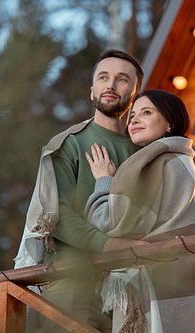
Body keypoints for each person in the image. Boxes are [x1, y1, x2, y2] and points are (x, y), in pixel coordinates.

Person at [14, 49, 147, 332]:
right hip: (72, 280)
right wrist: (110, 246)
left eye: (122, 79)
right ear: (92, 91)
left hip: (129, 289)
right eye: (103, 77)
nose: (110, 85)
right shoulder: (68, 144)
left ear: (135, 94)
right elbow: (56, 215)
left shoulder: (145, 152)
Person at [83, 90, 195, 333]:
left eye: (146, 113)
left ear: (170, 123)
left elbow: (108, 223)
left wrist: (104, 181)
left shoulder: (157, 163)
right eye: (132, 115)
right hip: (183, 288)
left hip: (158, 283)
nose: (134, 120)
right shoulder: (181, 161)